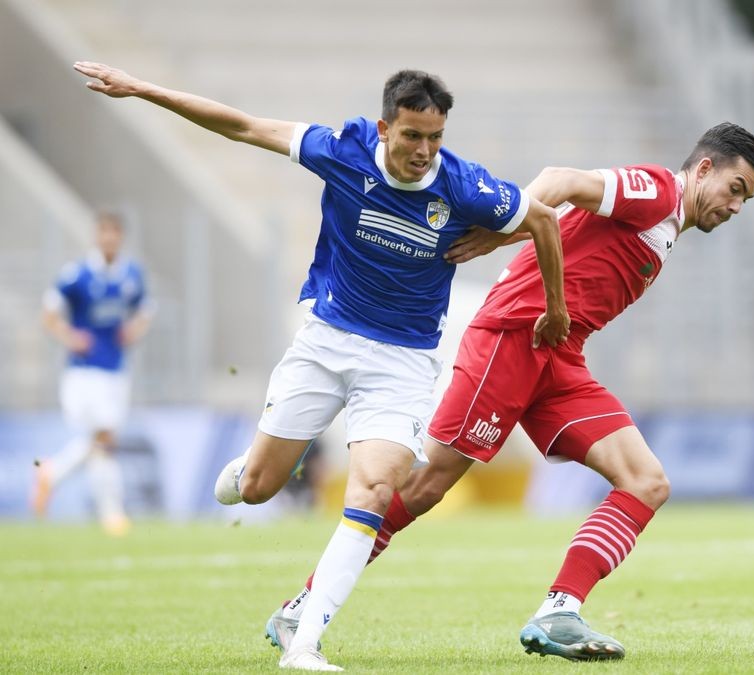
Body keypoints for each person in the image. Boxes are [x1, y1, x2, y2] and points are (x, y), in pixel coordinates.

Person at [74, 61, 569, 672]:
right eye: (412, 135)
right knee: (256, 489)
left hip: (404, 360)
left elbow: (545, 219)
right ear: (386, 128)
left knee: (375, 488)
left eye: (435, 138)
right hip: (326, 342)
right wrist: (143, 89)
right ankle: (249, 469)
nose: (424, 151)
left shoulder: (466, 186)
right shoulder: (343, 149)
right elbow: (242, 126)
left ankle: (303, 640)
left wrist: (550, 302)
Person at [264, 122, 754, 661]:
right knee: (426, 486)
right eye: (735, 188)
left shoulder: (668, 219)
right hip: (515, 335)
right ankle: (301, 607)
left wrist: (508, 239)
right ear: (702, 170)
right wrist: (499, 229)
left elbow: (566, 227)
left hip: (559, 355)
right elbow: (560, 181)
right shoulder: (656, 191)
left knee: (646, 482)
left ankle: (559, 610)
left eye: (747, 198)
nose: (736, 205)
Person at [33, 211, 152, 537]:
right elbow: (49, 312)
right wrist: (70, 337)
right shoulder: (78, 275)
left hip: (116, 369)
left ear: (121, 237)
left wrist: (134, 330)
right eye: (104, 233)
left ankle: (53, 475)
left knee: (102, 442)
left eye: (115, 233)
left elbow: (145, 310)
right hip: (84, 373)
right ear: (97, 237)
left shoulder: (131, 274)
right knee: (104, 438)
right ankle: (111, 512)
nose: (109, 239)